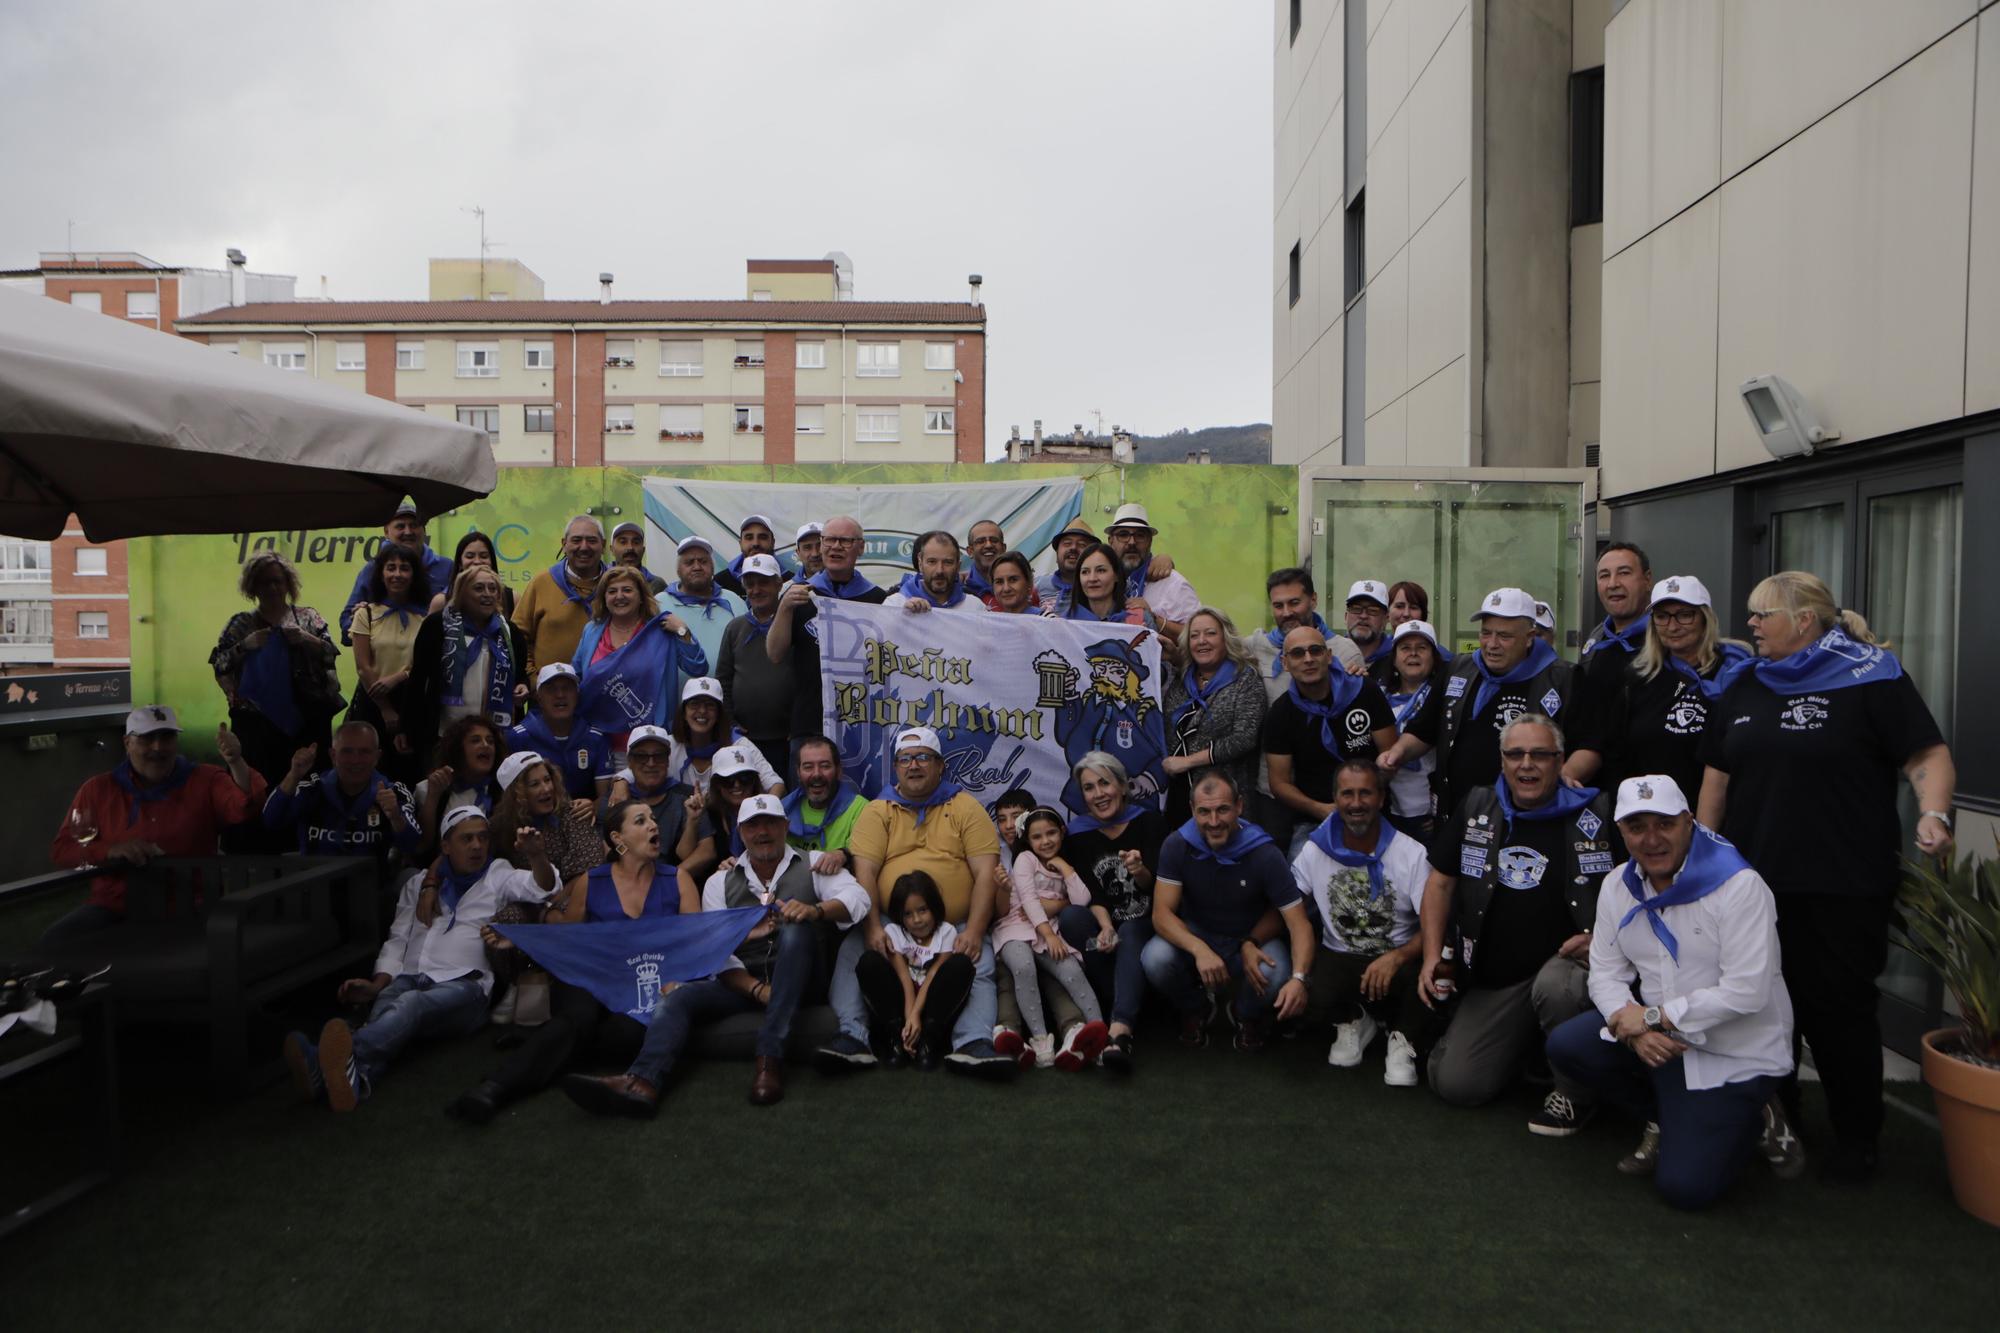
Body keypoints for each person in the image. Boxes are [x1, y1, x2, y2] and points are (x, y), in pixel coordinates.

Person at [1697, 570, 1955, 1184]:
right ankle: (1780, 1118)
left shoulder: (1872, 678)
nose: (1751, 625)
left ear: (1805, 621)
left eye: (1764, 615)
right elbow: (1716, 776)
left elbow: (1926, 755)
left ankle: (1856, 1137)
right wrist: (1703, 854)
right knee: (1761, 1005)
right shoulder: (1746, 683)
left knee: (1837, 1010)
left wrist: (1935, 814)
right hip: (1753, 884)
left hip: (1843, 884)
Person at [1548, 775, 1801, 1206]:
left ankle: (1760, 1118)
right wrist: (1633, 1029)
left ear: (1688, 822)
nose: (1651, 839)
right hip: (1662, 1039)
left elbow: (1747, 991)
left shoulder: (1738, 885)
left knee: (1686, 1189)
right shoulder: (1617, 885)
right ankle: (1662, 1117)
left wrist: (1651, 1018)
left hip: (1734, 1050)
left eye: (1664, 824)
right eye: (1636, 826)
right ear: (1621, 831)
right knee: (1569, 1045)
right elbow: (1605, 974)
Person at [563, 793, 871, 1113]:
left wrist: (815, 911)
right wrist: (756, 990)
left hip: (803, 980)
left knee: (796, 931)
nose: (762, 832)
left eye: (770, 823)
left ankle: (769, 1059)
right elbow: (714, 952)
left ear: (786, 827)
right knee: (679, 997)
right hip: (743, 984)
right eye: (753, 826)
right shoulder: (719, 881)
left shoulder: (815, 864)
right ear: (740, 833)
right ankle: (644, 1081)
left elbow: (859, 900)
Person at [1417, 714, 1620, 1135]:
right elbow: (1439, 884)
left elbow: (1644, 889)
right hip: (1496, 981)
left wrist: (1603, 938)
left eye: (1540, 755)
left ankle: (1575, 1095)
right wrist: (1432, 955)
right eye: (1515, 754)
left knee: (1556, 987)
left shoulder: (1599, 811)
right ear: (1503, 761)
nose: (1526, 764)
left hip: (1570, 975)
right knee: (1456, 1084)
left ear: (1560, 760)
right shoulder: (1477, 806)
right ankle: (1527, 1052)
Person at [281, 807, 554, 1111]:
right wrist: (376, 985)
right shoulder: (419, 885)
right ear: (446, 847)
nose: (477, 846)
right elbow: (398, 939)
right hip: (407, 977)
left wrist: (537, 857)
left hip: (465, 988)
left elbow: (542, 887)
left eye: (482, 838)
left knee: (409, 1005)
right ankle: (358, 1077)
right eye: (467, 839)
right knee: (391, 1008)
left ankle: (325, 1059)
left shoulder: (497, 875)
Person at [445, 799, 675, 1123]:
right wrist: (524, 938)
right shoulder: (592, 881)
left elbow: (689, 938)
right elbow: (565, 933)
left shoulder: (678, 880)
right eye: (641, 821)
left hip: (639, 986)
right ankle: (493, 1089)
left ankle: (538, 1041)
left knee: (625, 1035)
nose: (654, 825)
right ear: (618, 839)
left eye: (653, 819)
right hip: (590, 977)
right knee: (578, 1019)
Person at [818, 726, 1013, 1077]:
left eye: (923, 757)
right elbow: (865, 871)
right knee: (852, 950)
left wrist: (976, 929)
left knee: (978, 957)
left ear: (941, 766)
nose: (913, 766)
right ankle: (852, 1037)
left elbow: (987, 872)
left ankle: (971, 1043)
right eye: (905, 759)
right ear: (895, 768)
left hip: (956, 922)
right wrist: (874, 926)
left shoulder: (966, 807)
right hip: (894, 922)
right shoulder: (878, 811)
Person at [44, 706, 266, 944]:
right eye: (147, 738)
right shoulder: (98, 790)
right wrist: (111, 850)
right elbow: (63, 850)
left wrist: (235, 762)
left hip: (192, 905)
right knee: (52, 944)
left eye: (167, 737)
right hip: (116, 906)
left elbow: (245, 807)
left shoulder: (205, 779)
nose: (158, 747)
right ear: (127, 743)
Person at [1142, 769, 1315, 1052]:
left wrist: (1299, 979)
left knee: (1278, 970)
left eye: (1223, 809)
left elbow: (1298, 923)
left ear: (1239, 806)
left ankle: (1244, 1013)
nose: (1214, 822)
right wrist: (1200, 950)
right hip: (1198, 934)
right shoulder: (1177, 844)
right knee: (1155, 958)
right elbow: (1161, 915)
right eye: (1204, 812)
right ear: (1192, 810)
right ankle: (1197, 1008)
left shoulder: (1264, 852)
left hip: (1248, 936)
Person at [1378, 586, 1578, 825]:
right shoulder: (1458, 669)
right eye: (1485, 633)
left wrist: (1566, 774)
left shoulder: (1563, 679)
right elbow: (1424, 730)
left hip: (1524, 820)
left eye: (1504, 636)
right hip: (1455, 817)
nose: (1492, 644)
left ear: (1529, 638)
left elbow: (1589, 745)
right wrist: (1396, 754)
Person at [1290, 761, 1435, 1086]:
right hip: (1339, 955)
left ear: (1381, 798)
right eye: (1348, 794)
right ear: (1336, 798)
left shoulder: (1411, 853)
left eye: (1365, 793)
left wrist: (1397, 957)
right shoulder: (1315, 849)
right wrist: (1252, 942)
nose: (1356, 803)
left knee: (1435, 972)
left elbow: (1435, 927)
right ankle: (1354, 1019)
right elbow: (1290, 906)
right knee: (1301, 985)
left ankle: (1403, 1038)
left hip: (1398, 959)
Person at [1564, 575, 1751, 799]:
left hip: (1717, 815)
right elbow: (1614, 751)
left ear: (1705, 618)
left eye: (1684, 615)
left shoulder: (1736, 673)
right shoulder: (1636, 680)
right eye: (1662, 617)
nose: (1672, 626)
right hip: (1648, 815)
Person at [1057, 753, 1166, 1071]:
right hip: (1107, 925)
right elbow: (1092, 892)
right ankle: (1118, 1006)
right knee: (1072, 919)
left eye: (1105, 783)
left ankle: (1120, 1032)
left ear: (1122, 785)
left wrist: (1140, 870)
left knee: (1132, 929)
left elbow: (1162, 889)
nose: (1098, 793)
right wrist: (1105, 928)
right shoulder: (1078, 834)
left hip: (1147, 922)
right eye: (1089, 788)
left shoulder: (1150, 823)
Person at [211, 551, 343, 791]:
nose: (272, 587)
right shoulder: (240, 624)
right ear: (253, 586)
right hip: (256, 726)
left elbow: (331, 652)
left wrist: (306, 639)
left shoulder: (308, 618)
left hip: (307, 722)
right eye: (264, 582)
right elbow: (219, 664)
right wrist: (245, 645)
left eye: (277, 581)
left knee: (309, 787)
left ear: (288, 584)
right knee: (258, 788)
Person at [1263, 624, 1399, 854]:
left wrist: (1361, 801)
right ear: (1285, 663)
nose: (1308, 659)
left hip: (1372, 812)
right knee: (1298, 883)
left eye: (1315, 650)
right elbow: (1279, 783)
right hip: (1315, 819)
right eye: (1297, 653)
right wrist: (1321, 809)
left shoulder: (1364, 691)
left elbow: (1391, 755)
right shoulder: (1280, 714)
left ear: (1328, 656)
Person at [993, 808, 1112, 1069]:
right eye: (1037, 837)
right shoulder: (1025, 859)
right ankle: (1039, 1039)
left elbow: (1081, 901)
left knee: (1071, 970)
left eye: (1051, 833)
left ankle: (1101, 1035)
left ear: (1062, 832)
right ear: (1028, 841)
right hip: (1018, 927)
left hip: (1050, 931)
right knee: (1023, 966)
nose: (1045, 841)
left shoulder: (1064, 863)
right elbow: (1028, 898)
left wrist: (1065, 867)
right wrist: (1047, 934)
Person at [767, 514, 887, 752]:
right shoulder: (799, 595)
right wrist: (784, 608)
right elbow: (774, 654)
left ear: (860, 547)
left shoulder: (877, 599)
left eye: (845, 541)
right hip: (809, 722)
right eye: (829, 540)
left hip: (860, 721)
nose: (836, 547)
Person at [571, 565, 705, 754]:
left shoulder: (660, 631)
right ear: (603, 598)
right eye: (612, 591)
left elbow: (698, 668)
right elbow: (576, 676)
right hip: (602, 744)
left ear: (642, 596)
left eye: (627, 590)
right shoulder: (592, 630)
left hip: (651, 745)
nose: (619, 596)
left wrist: (683, 630)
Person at [401, 566, 529, 759]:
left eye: (492, 589)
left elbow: (520, 676)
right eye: (478, 588)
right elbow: (418, 679)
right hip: (444, 732)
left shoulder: (510, 632)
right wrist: (407, 727)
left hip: (494, 735)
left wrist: (522, 686)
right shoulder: (437, 626)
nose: (487, 594)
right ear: (462, 592)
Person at [855, 871, 975, 1070]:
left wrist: (917, 1016)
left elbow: (934, 973)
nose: (917, 920)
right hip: (902, 1003)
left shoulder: (947, 932)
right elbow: (903, 976)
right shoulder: (894, 932)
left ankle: (928, 1043)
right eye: (908, 914)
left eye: (922, 910)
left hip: (930, 1005)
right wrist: (909, 1019)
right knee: (869, 962)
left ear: (934, 908)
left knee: (961, 964)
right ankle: (897, 1040)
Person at [1160, 608, 1267, 828]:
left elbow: (1243, 739)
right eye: (1194, 635)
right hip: (1180, 797)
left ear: (1226, 638)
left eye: (1210, 633)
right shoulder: (1182, 679)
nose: (1202, 641)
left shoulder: (1246, 680)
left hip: (1225, 800)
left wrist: (1188, 762)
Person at [262, 721, 418, 868]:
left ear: (377, 757)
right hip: (316, 886)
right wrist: (294, 775)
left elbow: (412, 845)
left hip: (371, 890)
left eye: (364, 752)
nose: (355, 760)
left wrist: (395, 816)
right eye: (347, 751)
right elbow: (271, 821)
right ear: (333, 755)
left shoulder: (395, 793)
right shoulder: (312, 789)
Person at [346, 541, 431, 783]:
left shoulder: (425, 617)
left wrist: (399, 677)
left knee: (409, 771)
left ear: (414, 575)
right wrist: (385, 709)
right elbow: (363, 666)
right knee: (370, 772)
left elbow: (425, 665)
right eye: (390, 568)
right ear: (381, 574)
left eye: (404, 568)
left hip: (412, 702)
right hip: (373, 701)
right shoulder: (366, 614)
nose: (397, 574)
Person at [338, 499, 455, 643]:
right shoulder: (372, 570)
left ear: (424, 530)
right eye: (400, 526)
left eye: (414, 525)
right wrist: (360, 619)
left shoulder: (446, 567)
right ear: (386, 531)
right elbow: (346, 629)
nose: (408, 531)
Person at [716, 553, 796, 763]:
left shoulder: (794, 624)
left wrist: (799, 723)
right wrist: (730, 722)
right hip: (745, 739)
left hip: (788, 738)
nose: (756, 590)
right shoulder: (735, 628)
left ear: (779, 584)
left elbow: (808, 677)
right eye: (750, 584)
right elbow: (723, 679)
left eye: (763, 583)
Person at [648, 677, 782, 796]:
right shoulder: (669, 745)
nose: (702, 711)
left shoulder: (739, 745)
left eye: (709, 705)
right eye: (694, 704)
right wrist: (625, 783)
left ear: (719, 714)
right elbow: (636, 770)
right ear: (683, 712)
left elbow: (776, 785)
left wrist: (760, 813)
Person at [490, 751, 607, 885]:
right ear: (516, 795)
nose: (546, 789)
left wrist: (554, 905)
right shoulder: (501, 829)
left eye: (547, 780)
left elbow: (587, 874)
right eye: (534, 784)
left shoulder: (574, 814)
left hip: (574, 896)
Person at [507, 664, 615, 808]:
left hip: (582, 822)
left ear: (577, 695)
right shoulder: (518, 738)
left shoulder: (596, 738)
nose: (560, 695)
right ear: (538, 697)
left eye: (567, 688)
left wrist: (593, 807)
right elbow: (510, 799)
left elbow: (605, 798)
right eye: (551, 689)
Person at [513, 515, 609, 674]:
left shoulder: (615, 587)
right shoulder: (541, 583)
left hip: (604, 694)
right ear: (564, 544)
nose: (584, 547)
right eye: (576, 540)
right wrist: (532, 679)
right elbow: (517, 637)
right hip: (546, 694)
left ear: (603, 545)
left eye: (591, 540)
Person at [1380, 620, 1449, 842]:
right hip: (1386, 810)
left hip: (1427, 814)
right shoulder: (1377, 697)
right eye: (1405, 648)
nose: (1413, 654)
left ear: (1434, 656)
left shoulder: (1447, 699)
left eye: (1422, 648)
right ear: (1394, 658)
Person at [603, 726, 703, 870]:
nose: (651, 763)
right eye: (641, 756)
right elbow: (609, 854)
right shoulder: (615, 799)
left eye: (659, 756)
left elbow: (700, 852)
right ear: (629, 762)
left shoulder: (689, 796)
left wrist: (671, 881)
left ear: (668, 761)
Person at [1252, 567, 1364, 694]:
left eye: (1294, 603)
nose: (1287, 613)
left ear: (1313, 600)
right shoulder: (1254, 647)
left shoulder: (1346, 652)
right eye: (1278, 606)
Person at [412, 714, 508, 859]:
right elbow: (421, 846)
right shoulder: (427, 788)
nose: (486, 745)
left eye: (490, 741)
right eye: (475, 740)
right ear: (457, 749)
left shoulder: (504, 790)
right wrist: (433, 796)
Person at [1104, 502, 1199, 640]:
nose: (1131, 542)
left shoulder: (1173, 583)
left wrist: (1153, 618)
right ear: (1110, 541)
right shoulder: (1101, 580)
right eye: (1123, 535)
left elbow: (1198, 635)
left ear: (1149, 541)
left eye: (1140, 535)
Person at [660, 535, 746, 671]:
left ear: (712, 567)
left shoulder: (734, 601)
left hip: (727, 691)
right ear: (678, 570)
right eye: (689, 562)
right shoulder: (659, 604)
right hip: (677, 692)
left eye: (703, 561)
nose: (697, 567)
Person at [785, 735, 869, 868]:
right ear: (798, 773)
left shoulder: (860, 809)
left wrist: (843, 855)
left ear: (839, 771)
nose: (817, 774)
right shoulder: (784, 809)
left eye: (825, 766)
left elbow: (864, 859)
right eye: (808, 767)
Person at [1052, 541, 1154, 629]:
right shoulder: (1064, 622)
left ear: (1117, 575)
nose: (1092, 578)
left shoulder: (1139, 618)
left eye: (1101, 570)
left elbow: (1156, 650)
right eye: (1085, 572)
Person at [887, 530, 988, 614]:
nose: (940, 570)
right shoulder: (895, 604)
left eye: (948, 562)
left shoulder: (975, 607)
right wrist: (901, 618)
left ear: (958, 566)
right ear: (920, 564)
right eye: (932, 562)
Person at [433, 529, 517, 620]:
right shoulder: (441, 602)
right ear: (460, 563)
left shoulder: (513, 599)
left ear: (492, 562)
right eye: (470, 556)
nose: (477, 562)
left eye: (484, 556)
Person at [1035, 515, 1097, 616]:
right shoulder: (1037, 586)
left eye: (1082, 544)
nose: (1073, 548)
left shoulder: (1101, 589)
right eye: (1067, 543)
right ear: (1056, 554)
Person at [714, 512, 777, 598]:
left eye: (762, 537)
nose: (755, 543)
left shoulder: (789, 581)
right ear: (740, 543)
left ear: (773, 543)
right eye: (749, 537)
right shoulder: (719, 583)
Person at [1344, 579, 1394, 674]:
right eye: (1356, 609)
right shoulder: (1330, 655)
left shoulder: (1397, 660)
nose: (1363, 616)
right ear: (1346, 616)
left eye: (1373, 610)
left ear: (1386, 619)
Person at [609, 520, 668, 595]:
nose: (630, 548)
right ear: (612, 549)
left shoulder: (656, 585)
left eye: (636, 542)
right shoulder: (601, 581)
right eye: (623, 542)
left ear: (643, 550)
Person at [962, 518, 1006, 605]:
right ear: (970, 551)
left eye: (994, 540)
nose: (988, 545)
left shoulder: (1022, 585)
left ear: (1004, 548)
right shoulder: (959, 590)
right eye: (980, 541)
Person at [987, 550, 1041, 615]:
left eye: (1013, 580)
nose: (1006, 589)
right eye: (999, 582)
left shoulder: (1047, 621)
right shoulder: (991, 623)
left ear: (1029, 583)